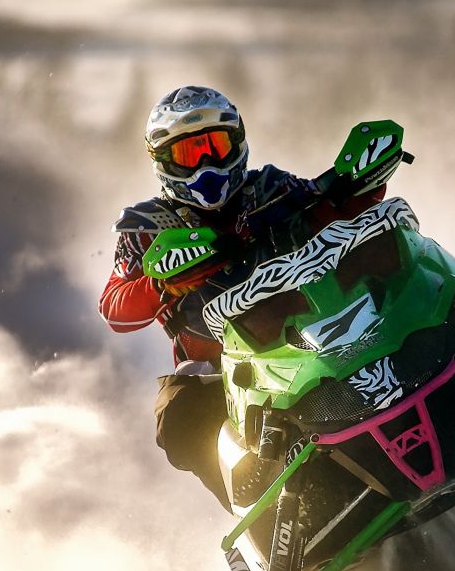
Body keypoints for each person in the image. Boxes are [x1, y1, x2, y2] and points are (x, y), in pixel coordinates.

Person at [98, 85, 383, 510]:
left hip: (317, 330)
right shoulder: (144, 227)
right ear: (163, 162)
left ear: (238, 141)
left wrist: (360, 184)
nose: (206, 163)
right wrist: (166, 284)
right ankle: (253, 526)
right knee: (178, 414)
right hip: (226, 368)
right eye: (189, 155)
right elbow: (115, 308)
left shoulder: (273, 187)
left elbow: (334, 212)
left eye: (214, 145)